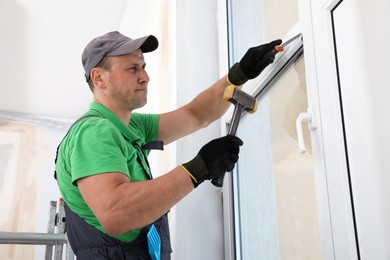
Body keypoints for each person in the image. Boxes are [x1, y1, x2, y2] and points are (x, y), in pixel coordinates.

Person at [55, 31, 281, 259]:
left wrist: (238, 75)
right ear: (99, 78)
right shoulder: (93, 132)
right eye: (132, 68)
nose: (145, 77)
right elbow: (115, 212)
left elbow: (195, 114)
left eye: (143, 66)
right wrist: (197, 170)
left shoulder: (131, 125)